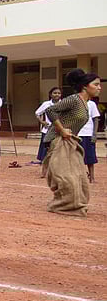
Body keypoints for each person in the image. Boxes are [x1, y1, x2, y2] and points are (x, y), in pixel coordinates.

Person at [41, 69, 99, 216]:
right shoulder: (74, 99)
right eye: (96, 84)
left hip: (70, 142)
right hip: (57, 140)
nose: (99, 87)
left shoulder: (86, 103)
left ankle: (74, 204)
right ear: (85, 86)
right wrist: (62, 130)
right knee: (66, 177)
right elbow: (50, 111)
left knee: (79, 175)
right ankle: (63, 205)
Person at [33, 87, 62, 165]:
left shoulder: (63, 103)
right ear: (50, 94)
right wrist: (42, 122)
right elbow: (37, 113)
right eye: (55, 93)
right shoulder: (46, 104)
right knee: (45, 148)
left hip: (59, 130)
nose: (57, 95)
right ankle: (44, 164)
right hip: (47, 130)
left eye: (59, 93)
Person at [79, 97, 99, 183]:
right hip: (78, 135)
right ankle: (80, 177)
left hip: (88, 134)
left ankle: (92, 177)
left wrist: (94, 134)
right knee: (77, 157)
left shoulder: (92, 104)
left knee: (90, 157)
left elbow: (95, 119)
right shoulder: (75, 104)